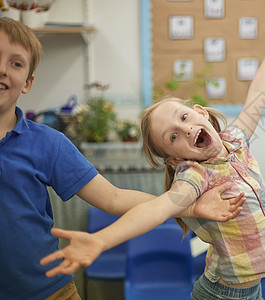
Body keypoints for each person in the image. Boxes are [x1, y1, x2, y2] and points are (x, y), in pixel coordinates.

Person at [41, 17, 265, 299]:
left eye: (184, 117)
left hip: (249, 289)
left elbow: (258, 96)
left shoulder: (235, 140)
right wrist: (101, 240)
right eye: (172, 137)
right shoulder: (195, 176)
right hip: (224, 294)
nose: (185, 129)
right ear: (174, 160)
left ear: (202, 112)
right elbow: (157, 210)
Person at [0, 17, 245, 300]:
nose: (2, 69)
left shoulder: (47, 143)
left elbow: (114, 198)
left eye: (15, 63)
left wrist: (191, 207)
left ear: (28, 82)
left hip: (48, 292)